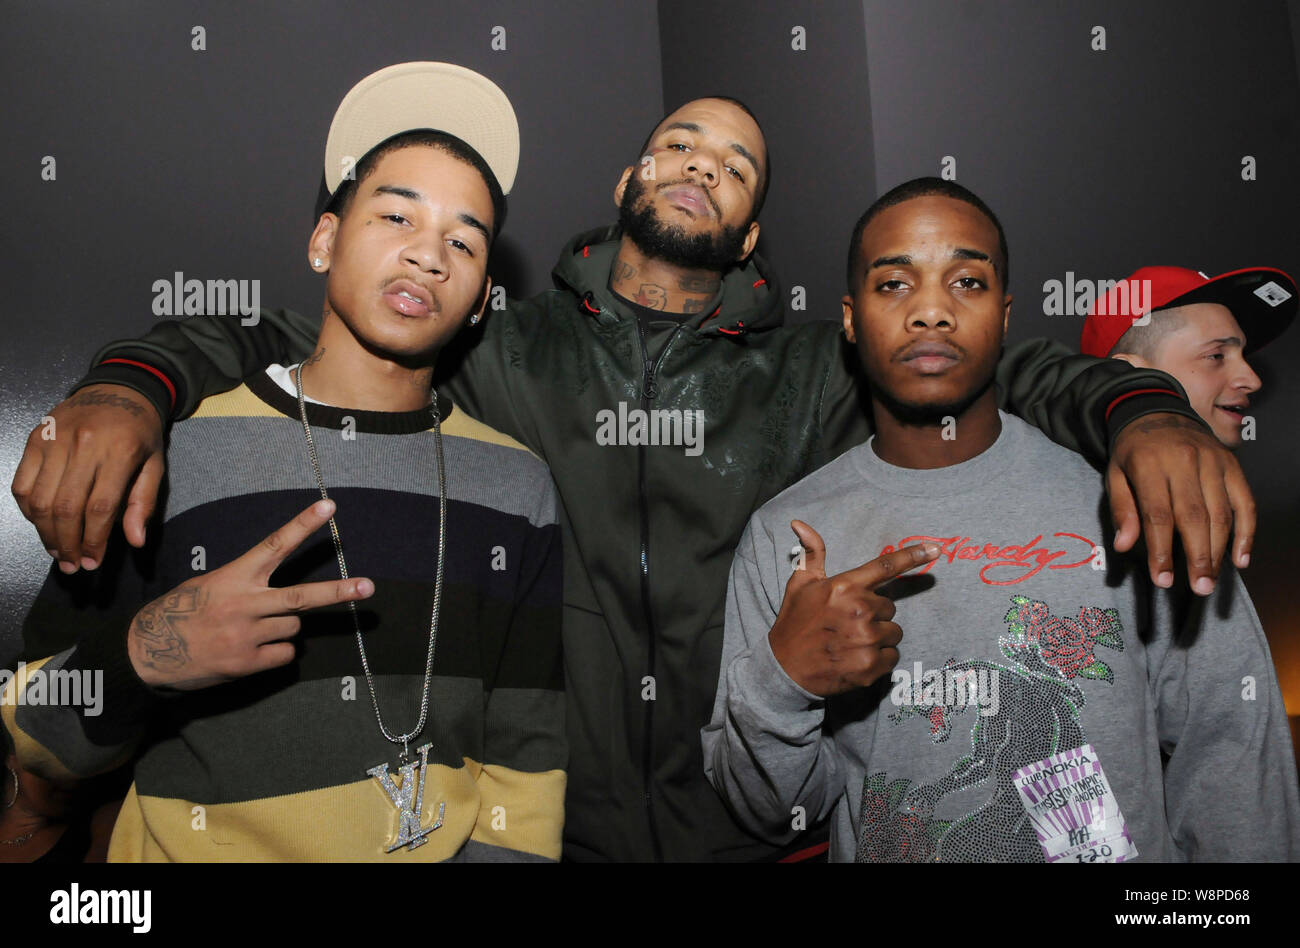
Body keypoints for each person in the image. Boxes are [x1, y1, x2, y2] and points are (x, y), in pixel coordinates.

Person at [12, 97, 1256, 863]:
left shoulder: (807, 371)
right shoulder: (503, 343)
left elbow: (980, 361)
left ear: (754, 228)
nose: (701, 164)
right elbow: (304, 333)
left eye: (736, 162)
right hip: (566, 834)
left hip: (756, 834)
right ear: (625, 183)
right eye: (678, 141)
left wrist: (1142, 410)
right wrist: (131, 383)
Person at [2, 62, 565, 862]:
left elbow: (526, 773)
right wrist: (143, 654)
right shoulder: (182, 448)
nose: (428, 255)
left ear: (478, 299)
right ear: (325, 240)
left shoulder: (518, 484)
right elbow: (34, 732)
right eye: (397, 217)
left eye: (462, 241)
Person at [702, 178, 1300, 862]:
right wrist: (784, 680)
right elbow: (767, 812)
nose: (931, 310)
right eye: (894, 283)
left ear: (1007, 314)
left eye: (968, 281)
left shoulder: (1140, 499)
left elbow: (1231, 756)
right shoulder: (789, 534)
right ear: (848, 317)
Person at [1081, 265, 1297, 448]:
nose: (1253, 381)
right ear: (1128, 378)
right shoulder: (1061, 491)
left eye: (1243, 356)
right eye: (1216, 356)